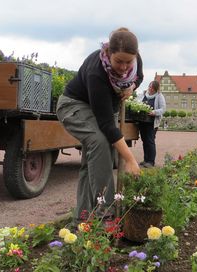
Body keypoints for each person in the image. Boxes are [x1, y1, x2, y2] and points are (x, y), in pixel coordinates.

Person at [56, 27, 143, 224]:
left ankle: (82, 217)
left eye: (128, 61)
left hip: (103, 111)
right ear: (108, 53)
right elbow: (105, 125)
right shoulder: (97, 71)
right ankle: (106, 215)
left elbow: (139, 77)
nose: (123, 67)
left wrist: (132, 87)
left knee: (94, 163)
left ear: (135, 56)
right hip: (74, 106)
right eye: (118, 61)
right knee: (100, 142)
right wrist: (130, 159)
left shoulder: (134, 62)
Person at [138, 80, 166, 168]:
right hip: (142, 122)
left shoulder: (159, 96)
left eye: (152, 88)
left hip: (152, 123)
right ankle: (146, 159)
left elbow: (163, 109)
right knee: (144, 140)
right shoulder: (144, 95)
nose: (150, 89)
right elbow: (138, 103)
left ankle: (151, 161)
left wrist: (154, 112)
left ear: (156, 89)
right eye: (149, 87)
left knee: (150, 141)